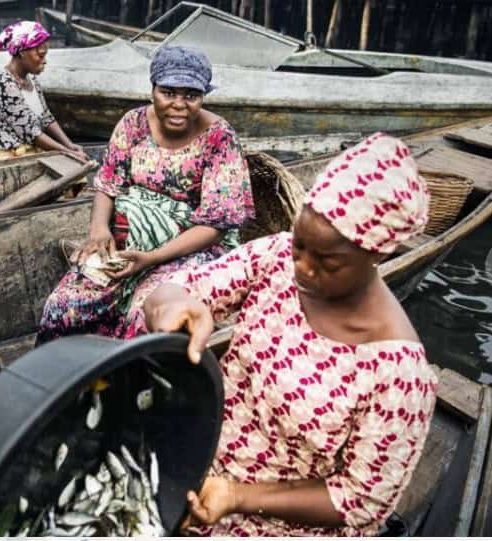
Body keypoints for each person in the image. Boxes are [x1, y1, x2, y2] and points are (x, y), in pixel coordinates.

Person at [138, 133, 437, 536]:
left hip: (277, 520)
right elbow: (175, 289)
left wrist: (238, 496)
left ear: (377, 254)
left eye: (328, 263)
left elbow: (360, 501)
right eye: (300, 246)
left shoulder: (399, 373)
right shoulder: (277, 256)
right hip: (197, 461)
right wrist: (172, 305)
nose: (303, 269)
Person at [36, 46, 254, 343]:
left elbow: (216, 226)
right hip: (128, 243)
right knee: (64, 308)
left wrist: (150, 259)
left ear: (203, 96)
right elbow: (107, 184)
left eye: (191, 95)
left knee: (145, 317)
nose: (179, 104)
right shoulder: (132, 124)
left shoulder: (220, 137)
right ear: (153, 90)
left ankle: (126, 384)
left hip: (193, 249)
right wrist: (99, 230)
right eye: (168, 92)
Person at [0, 21, 88, 164]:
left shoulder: (31, 79)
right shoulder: (4, 83)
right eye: (40, 56)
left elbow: (46, 117)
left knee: (74, 172)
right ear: (22, 52)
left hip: (25, 146)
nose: (45, 61)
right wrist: (68, 152)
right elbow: (31, 132)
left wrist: (69, 145)